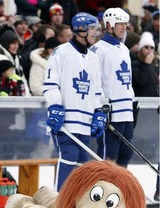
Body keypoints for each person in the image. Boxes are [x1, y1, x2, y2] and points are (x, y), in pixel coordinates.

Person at [43, 12, 105, 191]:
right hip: (66, 119)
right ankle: (59, 201)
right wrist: (55, 106)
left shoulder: (93, 58)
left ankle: (74, 203)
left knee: (82, 161)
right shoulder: (61, 52)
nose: (96, 33)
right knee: (69, 154)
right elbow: (50, 83)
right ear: (81, 30)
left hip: (84, 120)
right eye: (93, 29)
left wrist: (99, 112)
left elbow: (96, 91)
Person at [91, 8, 135, 168]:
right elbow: (95, 82)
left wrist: (132, 102)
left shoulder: (124, 49)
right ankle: (104, 190)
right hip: (111, 113)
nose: (124, 27)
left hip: (126, 112)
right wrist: (102, 107)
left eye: (125, 23)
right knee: (108, 158)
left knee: (125, 156)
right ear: (109, 25)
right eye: (120, 24)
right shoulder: (98, 50)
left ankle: (121, 191)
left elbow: (126, 82)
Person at [131, 32, 159, 97]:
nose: (149, 49)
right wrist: (147, 64)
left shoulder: (153, 64)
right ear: (141, 49)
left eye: (152, 48)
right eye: (146, 47)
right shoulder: (135, 63)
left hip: (153, 100)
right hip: (141, 100)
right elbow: (141, 81)